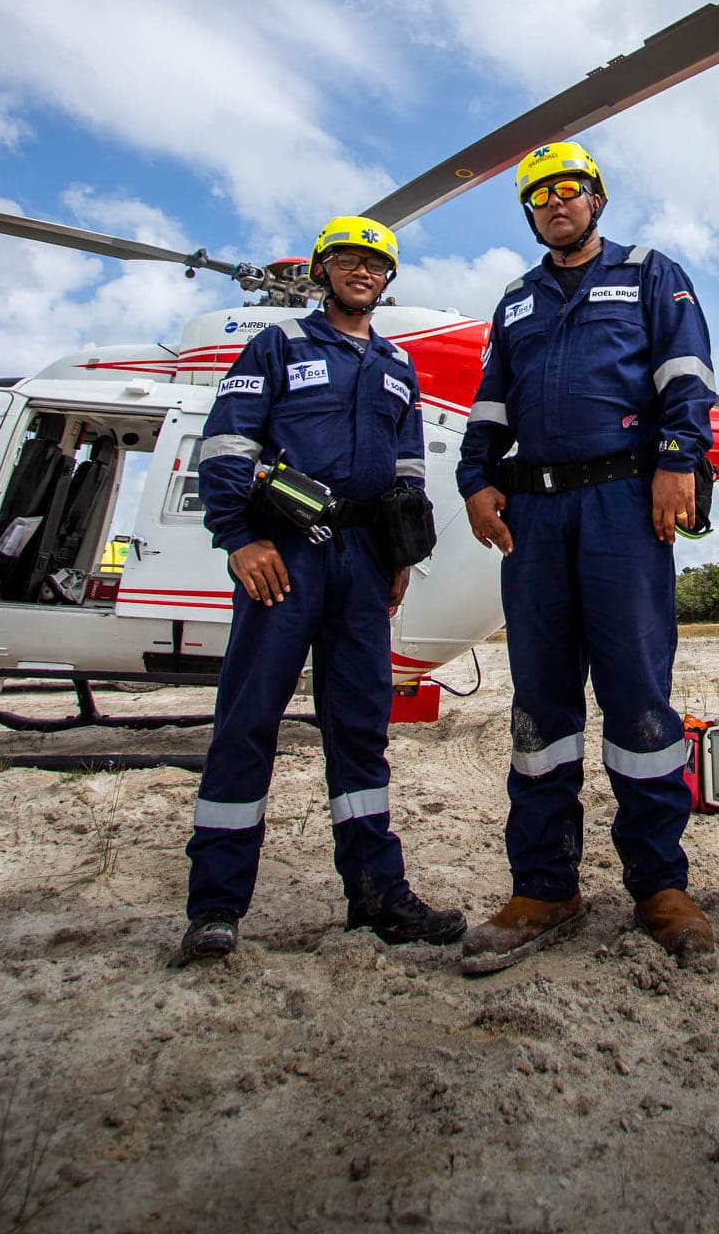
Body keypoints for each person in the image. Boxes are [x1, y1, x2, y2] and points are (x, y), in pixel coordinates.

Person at [457, 142, 717, 973]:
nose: (555, 203)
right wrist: (474, 477)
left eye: (569, 189)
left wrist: (678, 458)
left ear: (595, 200)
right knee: (539, 704)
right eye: (539, 197)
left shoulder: (649, 272)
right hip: (534, 514)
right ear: (530, 215)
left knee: (639, 699)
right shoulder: (518, 300)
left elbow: (686, 373)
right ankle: (544, 886)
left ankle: (659, 886)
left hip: (622, 506)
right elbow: (492, 400)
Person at [177, 216, 465, 964]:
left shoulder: (399, 366)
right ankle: (215, 907)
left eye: (375, 262)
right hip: (287, 559)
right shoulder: (277, 345)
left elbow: (409, 471)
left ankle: (375, 894)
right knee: (248, 722)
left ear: (388, 277)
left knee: (362, 728)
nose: (361, 271)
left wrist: (401, 557)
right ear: (322, 270)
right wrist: (239, 538)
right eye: (346, 259)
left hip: (366, 563)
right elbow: (228, 445)